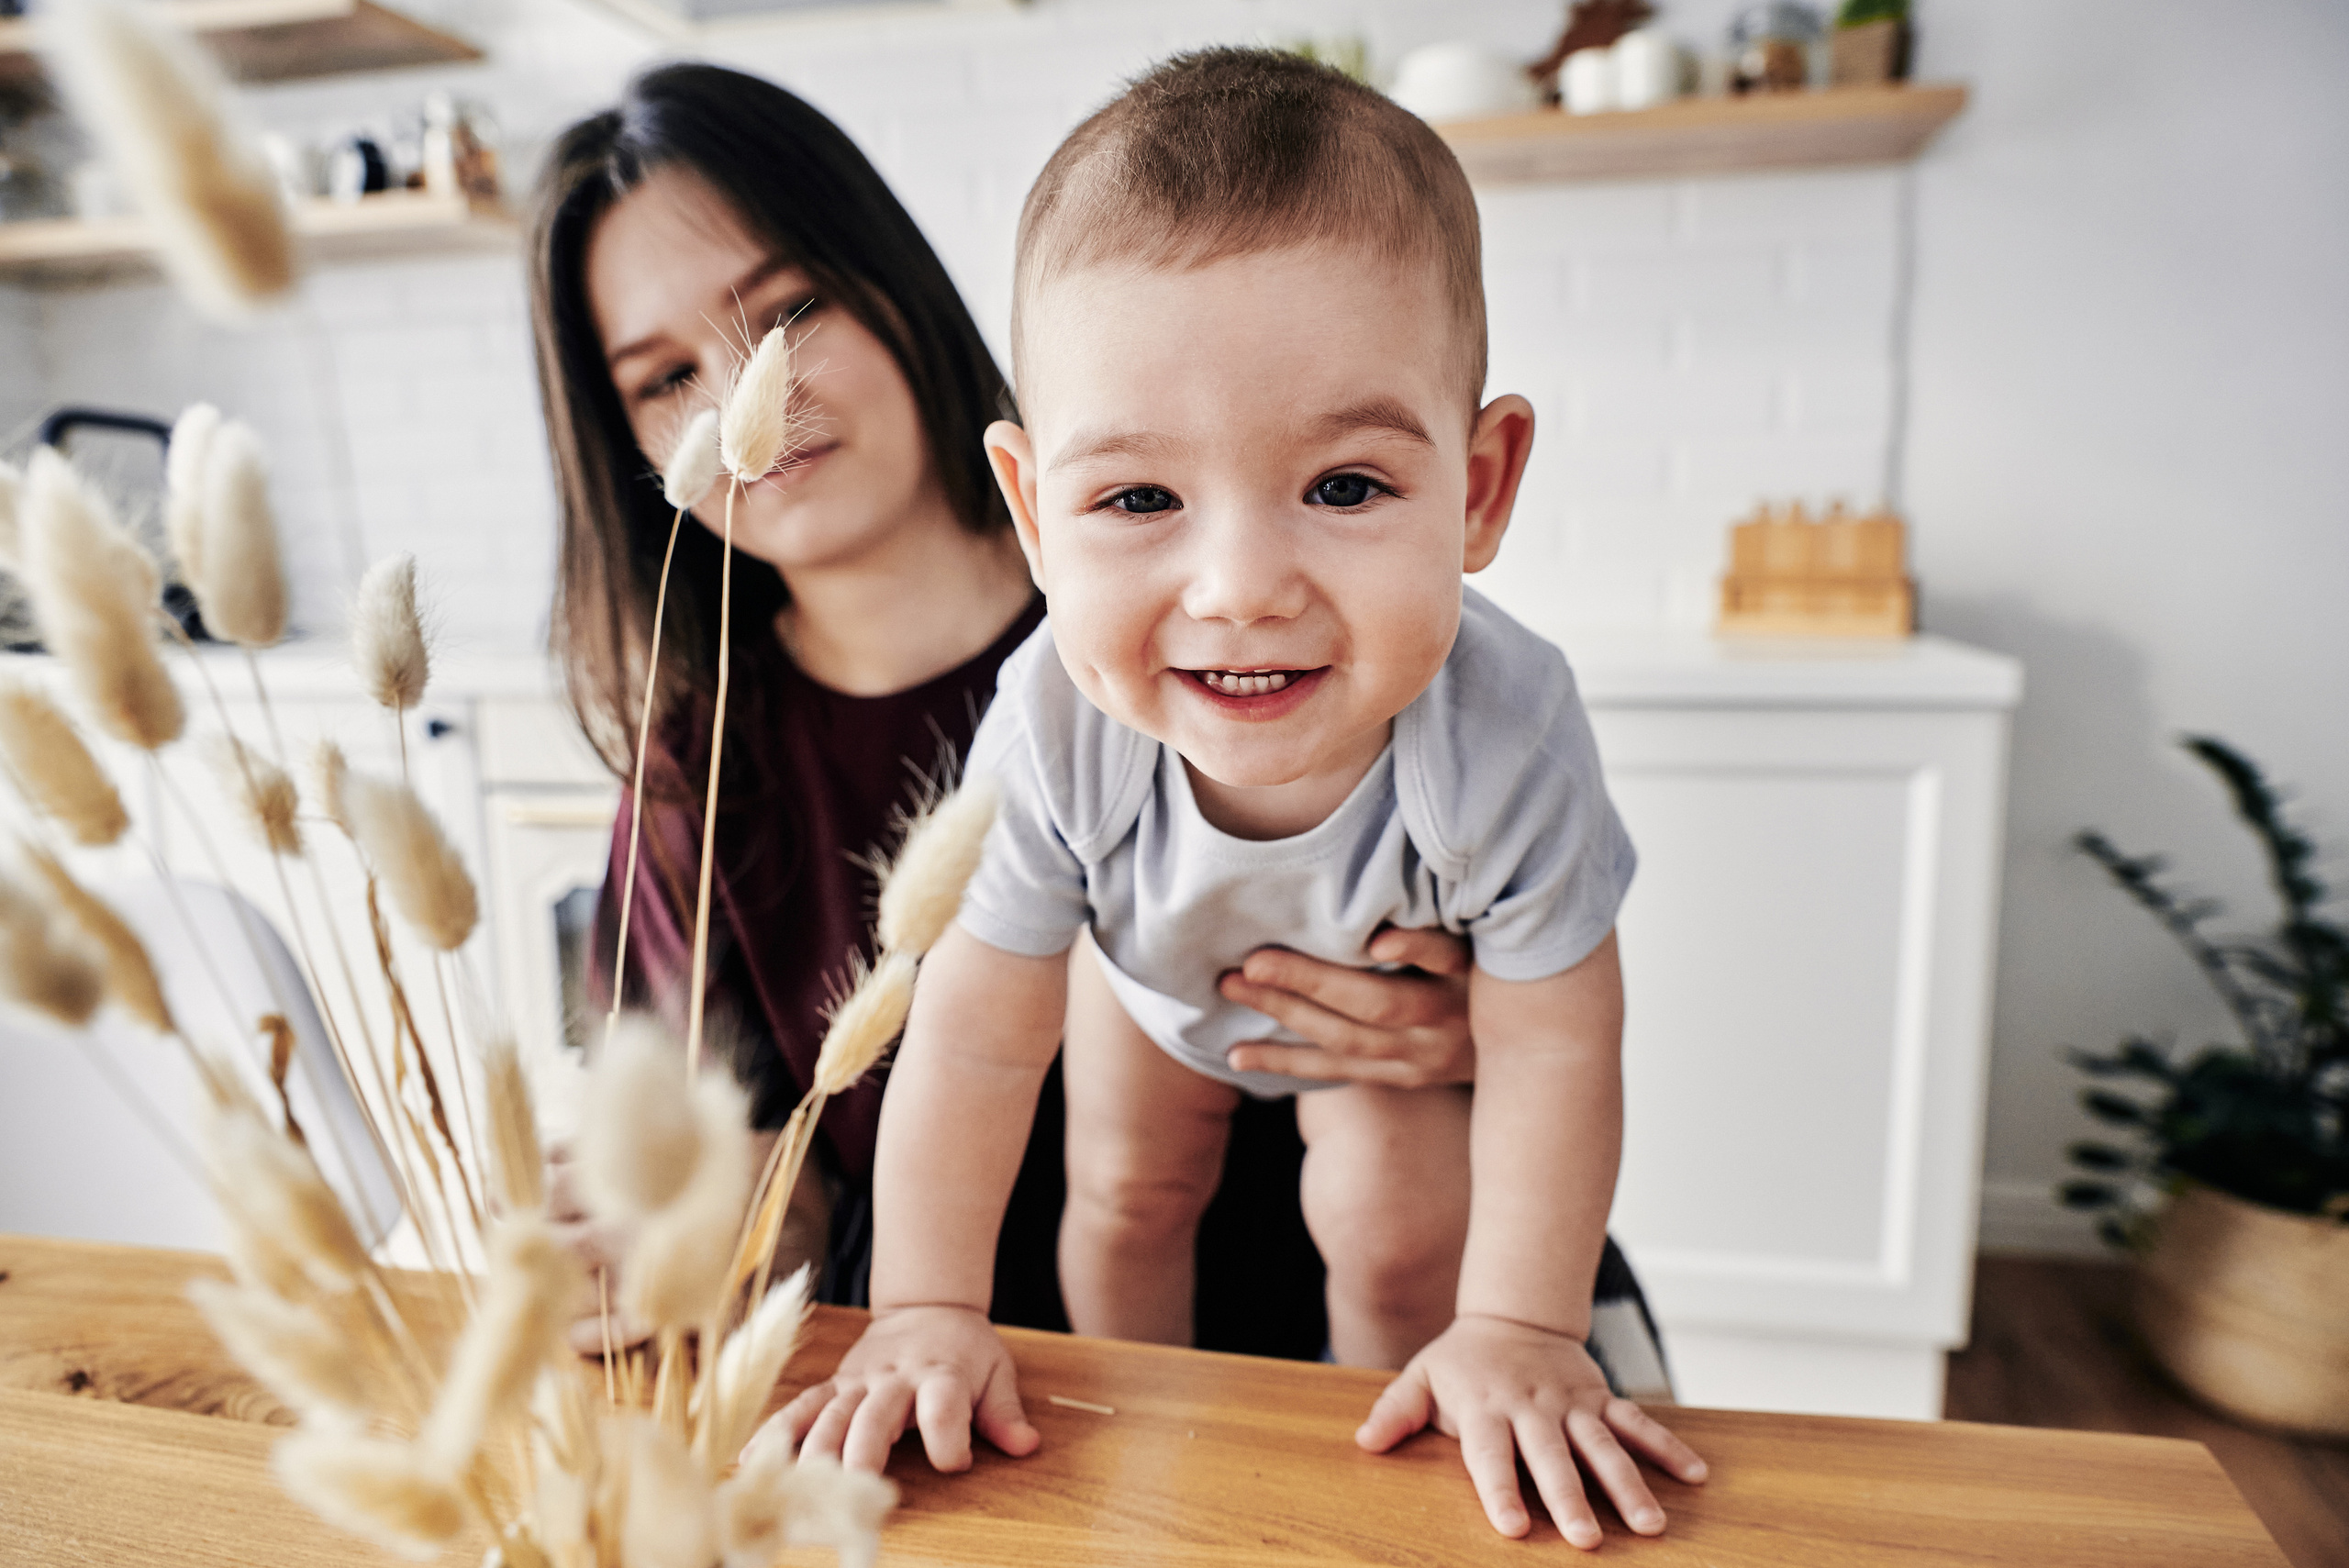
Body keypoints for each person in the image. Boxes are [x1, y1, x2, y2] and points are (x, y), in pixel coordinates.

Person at [782, 51, 1708, 1547]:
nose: (1239, 588)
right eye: (1139, 498)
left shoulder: (1508, 735)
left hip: (1376, 1030)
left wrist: (1526, 1326)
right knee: (1128, 1192)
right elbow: (969, 1038)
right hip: (1147, 988)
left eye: (1344, 486)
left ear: (1480, 486)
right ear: (1034, 512)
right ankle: (1159, 1450)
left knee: (1400, 1228)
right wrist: (927, 1308)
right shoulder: (1054, 724)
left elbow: (1555, 1039)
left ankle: (1394, 1445)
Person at [526, 62, 1501, 1357]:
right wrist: (709, 1223)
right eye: (662, 378)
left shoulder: (1226, 636)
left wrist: (1475, 1029)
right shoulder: (698, 769)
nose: (742, 400)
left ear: (890, 281)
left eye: (789, 312)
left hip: (1336, 1357)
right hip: (970, 1387)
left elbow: (1528, 974)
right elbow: (774, 1183)